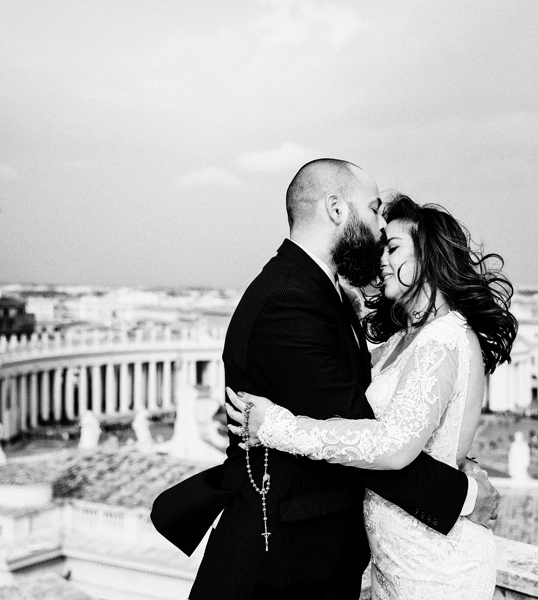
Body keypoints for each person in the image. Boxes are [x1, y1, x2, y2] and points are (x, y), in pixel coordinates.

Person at [150, 161, 500, 600]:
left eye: (393, 243)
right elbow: (363, 431)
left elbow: (377, 434)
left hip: (327, 557)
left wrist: (453, 466)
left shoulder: (322, 293)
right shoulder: (289, 301)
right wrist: (462, 495)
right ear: (337, 210)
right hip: (281, 562)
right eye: (373, 211)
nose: (378, 231)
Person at [226, 193, 518, 599]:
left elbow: (393, 446)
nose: (381, 259)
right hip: (393, 556)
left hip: (433, 564)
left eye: (394, 248)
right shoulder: (404, 339)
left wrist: (276, 427)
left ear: (430, 256)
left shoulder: (443, 340)